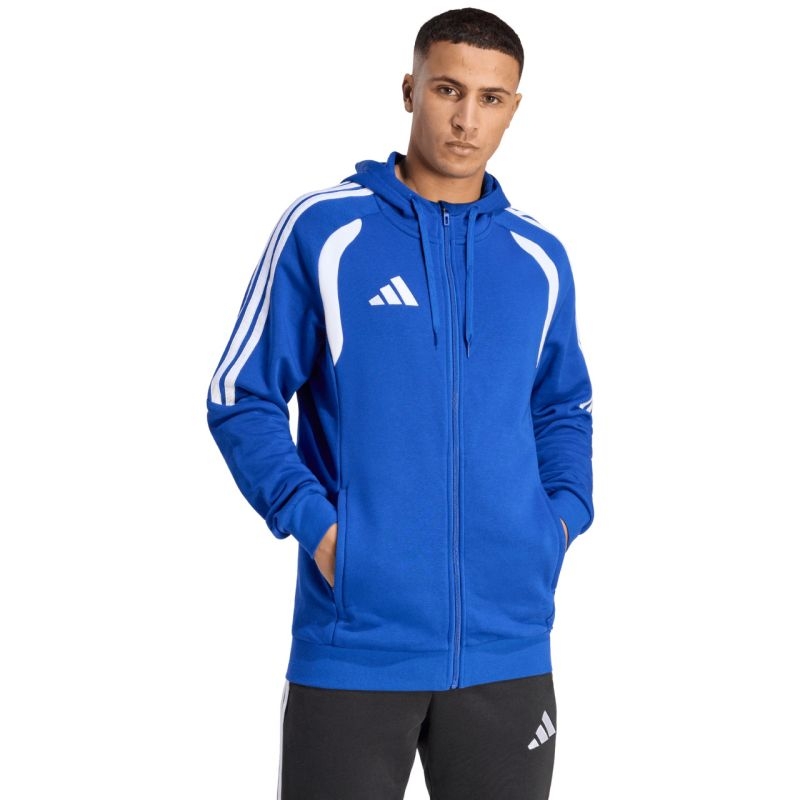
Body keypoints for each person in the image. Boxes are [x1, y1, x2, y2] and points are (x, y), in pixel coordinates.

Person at [206, 7, 593, 799]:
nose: (466, 119)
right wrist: (323, 533)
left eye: (491, 98)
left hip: (509, 647)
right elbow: (240, 396)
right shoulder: (326, 231)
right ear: (410, 89)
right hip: (355, 646)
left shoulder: (538, 257)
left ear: (514, 108)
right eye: (448, 90)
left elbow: (562, 408)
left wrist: (557, 524)